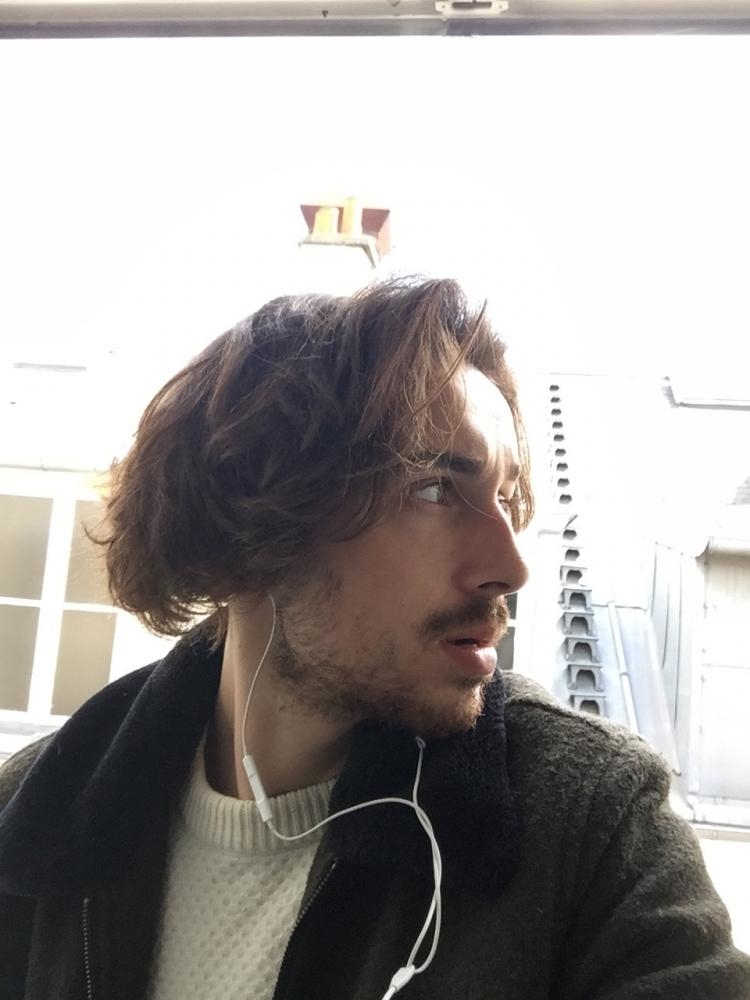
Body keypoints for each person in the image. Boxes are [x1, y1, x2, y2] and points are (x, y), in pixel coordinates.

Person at [0, 277, 748, 1000]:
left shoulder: (587, 821)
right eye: (434, 488)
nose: (510, 566)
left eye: (504, 496)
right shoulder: (33, 818)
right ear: (255, 522)